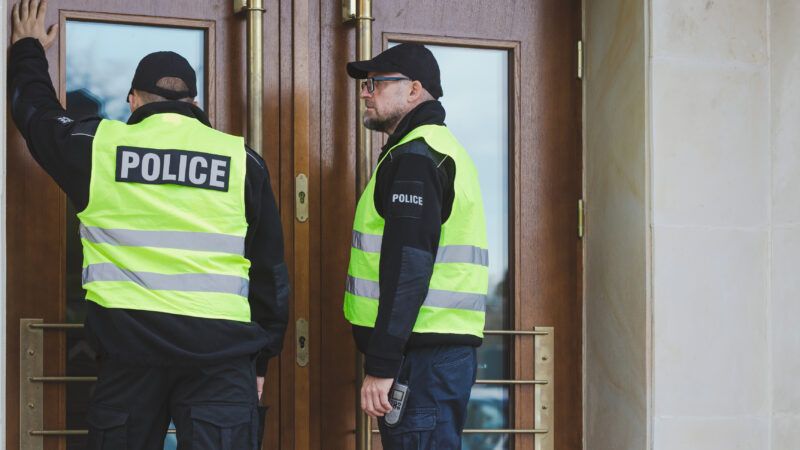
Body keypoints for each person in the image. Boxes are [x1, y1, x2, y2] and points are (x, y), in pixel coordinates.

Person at [8, 1, 289, 448]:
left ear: (134, 99)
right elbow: (270, 274)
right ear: (194, 103)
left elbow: (36, 115)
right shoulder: (243, 162)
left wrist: (26, 49)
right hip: (221, 359)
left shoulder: (98, 147)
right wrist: (260, 362)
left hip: (129, 355)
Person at [344, 43, 488, 449]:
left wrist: (383, 362)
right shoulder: (435, 150)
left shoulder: (417, 157)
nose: (365, 92)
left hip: (421, 358)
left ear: (414, 90)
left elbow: (409, 266)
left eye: (375, 83)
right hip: (433, 355)